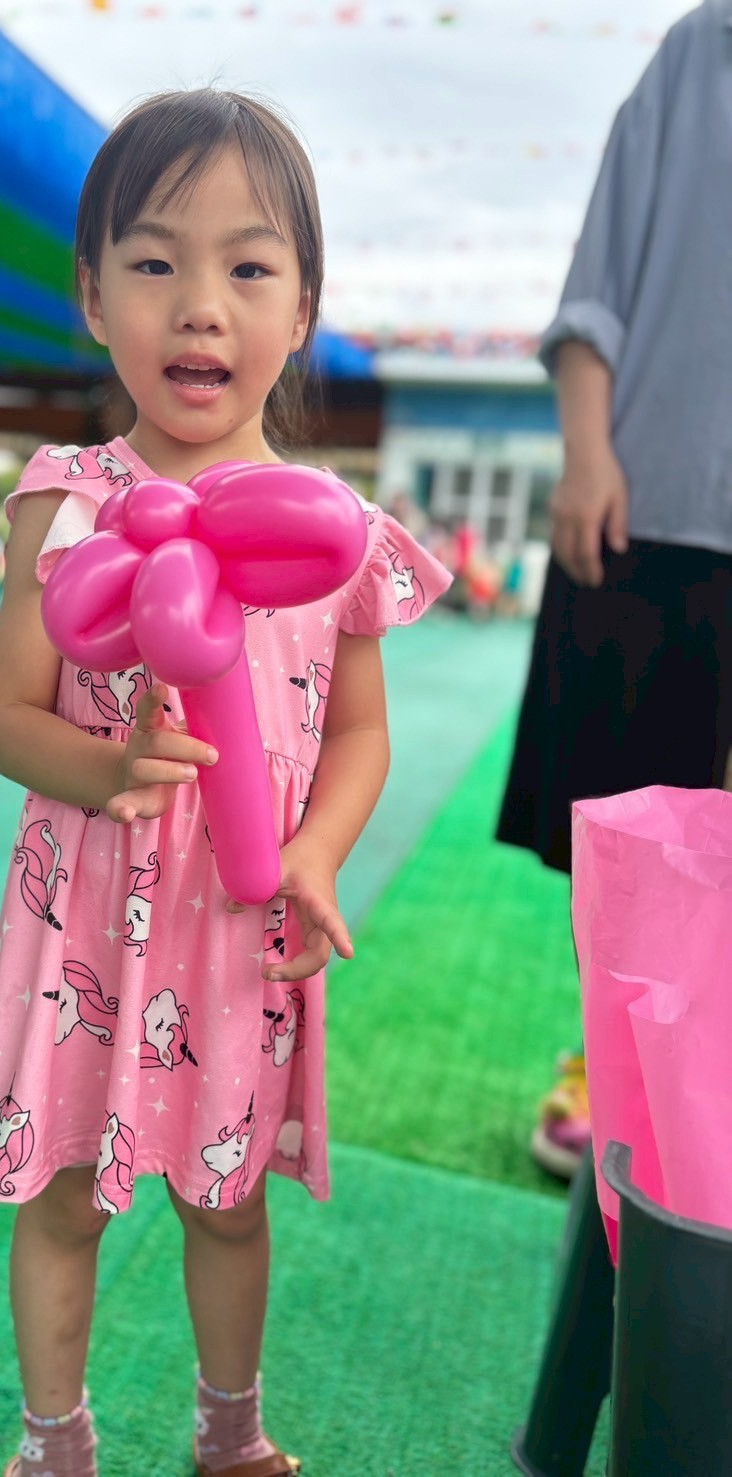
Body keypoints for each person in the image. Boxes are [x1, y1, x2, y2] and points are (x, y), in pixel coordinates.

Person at [0, 88, 451, 1477]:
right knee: (64, 1196)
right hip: (83, 926)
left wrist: (317, 852)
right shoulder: (70, 499)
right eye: (154, 261)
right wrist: (109, 764)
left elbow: (359, 735)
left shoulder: (329, 535)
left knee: (228, 1203)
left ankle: (229, 1433)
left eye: (247, 267)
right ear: (92, 294)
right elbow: (6, 720)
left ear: (302, 310)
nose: (200, 306)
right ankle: (54, 1441)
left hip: (241, 932)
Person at [497, 0, 732, 1179]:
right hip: (652, 512)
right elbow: (596, 289)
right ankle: (613, 1065)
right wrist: (587, 453)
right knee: (633, 844)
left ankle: (710, 1097)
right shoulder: (702, 48)